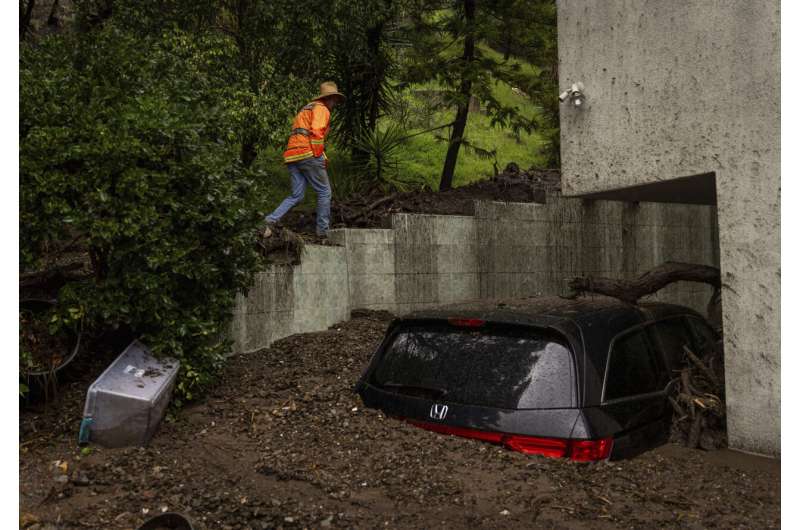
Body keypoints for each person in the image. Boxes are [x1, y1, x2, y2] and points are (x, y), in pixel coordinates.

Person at [262, 81, 345, 238]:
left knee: (297, 195)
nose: (335, 103)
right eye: (334, 99)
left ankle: (270, 220)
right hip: (307, 153)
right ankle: (322, 231)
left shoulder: (306, 109)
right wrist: (319, 154)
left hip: (292, 155)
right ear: (330, 98)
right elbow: (316, 132)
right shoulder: (322, 109)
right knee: (324, 192)